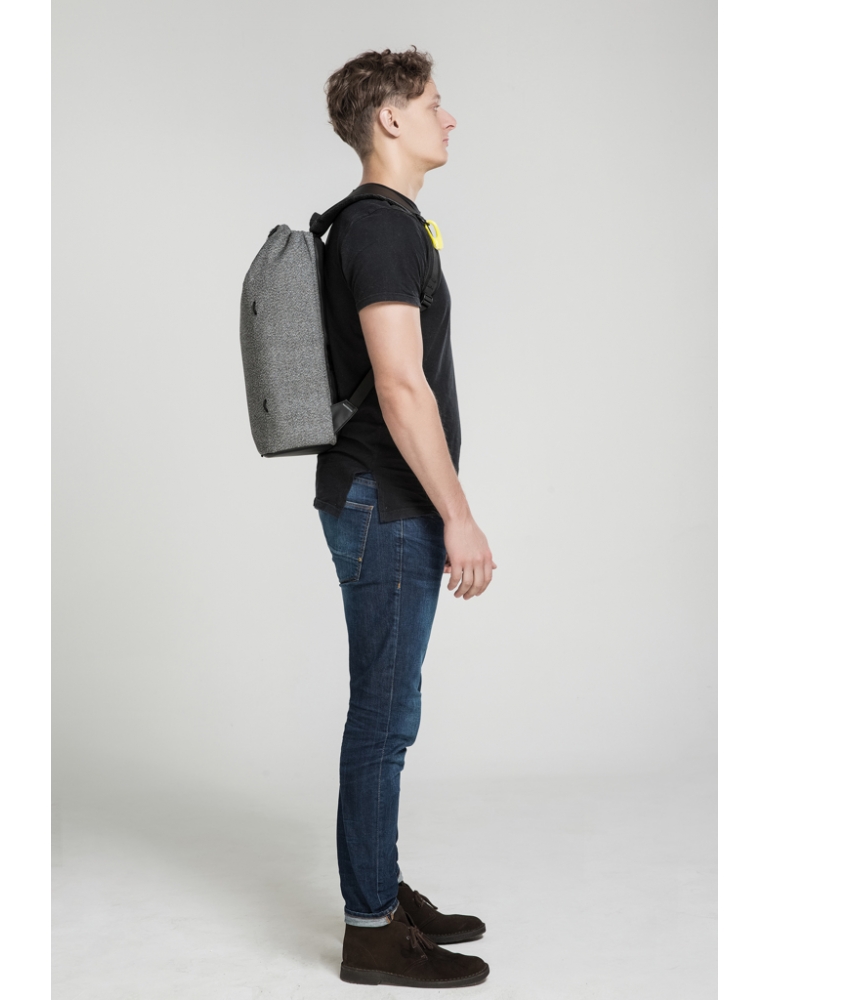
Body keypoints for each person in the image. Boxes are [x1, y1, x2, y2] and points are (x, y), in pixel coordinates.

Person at [316, 47, 496, 988]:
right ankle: (371, 931)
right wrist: (458, 515)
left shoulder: (378, 223)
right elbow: (398, 383)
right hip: (385, 501)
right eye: (432, 103)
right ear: (389, 119)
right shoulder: (381, 228)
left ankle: (379, 892)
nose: (448, 117)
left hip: (375, 496)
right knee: (384, 719)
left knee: (388, 713)